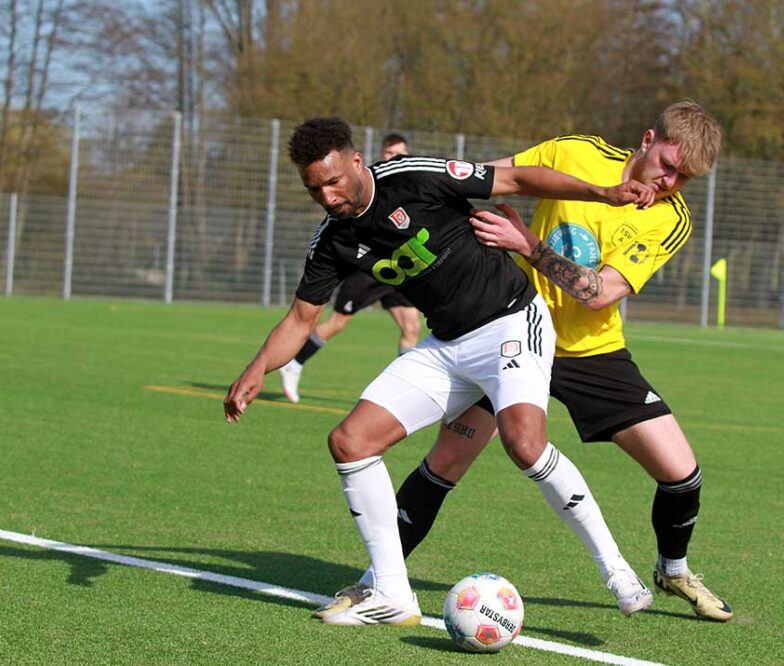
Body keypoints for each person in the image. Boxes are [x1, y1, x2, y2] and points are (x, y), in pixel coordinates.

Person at [224, 116, 657, 626]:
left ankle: (618, 574)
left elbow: (518, 179)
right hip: (447, 346)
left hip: (511, 321)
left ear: (357, 161)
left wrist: (604, 193)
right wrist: (257, 366)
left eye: (334, 181)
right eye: (314, 188)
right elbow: (301, 319)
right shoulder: (333, 239)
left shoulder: (414, 175)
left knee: (524, 444)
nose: (326, 196)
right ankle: (391, 594)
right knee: (350, 441)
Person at [328, 101, 734, 622]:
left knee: (681, 473)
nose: (671, 181)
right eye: (668, 165)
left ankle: (673, 569)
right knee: (446, 462)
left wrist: (529, 245)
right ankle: (377, 583)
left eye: (685, 178)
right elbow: (493, 178)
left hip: (590, 352)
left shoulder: (670, 219)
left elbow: (599, 294)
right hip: (507, 327)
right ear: (648, 138)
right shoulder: (576, 153)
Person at [278, 133, 420, 403]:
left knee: (411, 328)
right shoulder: (365, 186)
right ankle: (294, 362)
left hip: (398, 270)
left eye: (400, 153)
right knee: (339, 321)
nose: (395, 158)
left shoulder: (407, 183)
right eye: (390, 153)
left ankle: (404, 392)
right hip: (370, 271)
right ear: (380, 154)